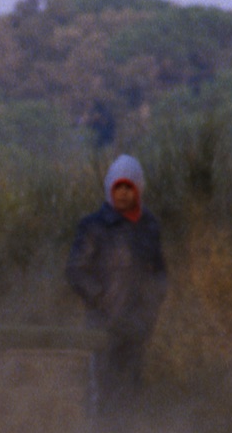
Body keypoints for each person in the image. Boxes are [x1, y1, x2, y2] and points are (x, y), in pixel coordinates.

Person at [65, 153, 167, 412]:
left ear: (138, 188)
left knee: (132, 391)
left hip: (137, 326)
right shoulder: (93, 227)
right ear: (109, 187)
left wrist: (149, 310)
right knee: (102, 393)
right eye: (117, 186)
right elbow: (76, 270)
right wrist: (101, 300)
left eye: (128, 187)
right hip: (102, 326)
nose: (122, 193)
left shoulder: (149, 226)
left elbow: (159, 273)